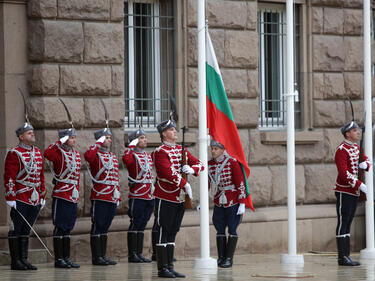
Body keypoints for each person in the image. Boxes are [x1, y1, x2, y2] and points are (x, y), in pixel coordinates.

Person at [153, 119, 204, 278]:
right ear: (164, 133)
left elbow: (201, 164)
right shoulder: (160, 151)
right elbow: (166, 173)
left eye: (175, 129)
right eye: (171, 129)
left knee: (173, 231)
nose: (175, 131)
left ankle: (170, 265)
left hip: (179, 198)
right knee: (163, 230)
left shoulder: (181, 150)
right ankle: (162, 268)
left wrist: (192, 168)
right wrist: (185, 184)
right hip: (165, 196)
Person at [4, 122, 46, 270]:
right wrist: (10, 196)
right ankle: (16, 261)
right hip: (21, 197)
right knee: (17, 228)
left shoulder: (38, 153)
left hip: (34, 198)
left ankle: (24, 259)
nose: (32, 134)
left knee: (27, 229)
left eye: (32, 132)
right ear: (21, 137)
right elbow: (10, 177)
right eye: (29, 133)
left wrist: (42, 195)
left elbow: (40, 176)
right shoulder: (14, 153)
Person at [334, 121, 371, 266]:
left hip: (354, 192)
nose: (357, 132)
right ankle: (342, 257)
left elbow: (366, 159)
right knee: (343, 222)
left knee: (348, 222)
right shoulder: (341, 150)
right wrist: (359, 184)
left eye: (357, 130)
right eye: (355, 131)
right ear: (347, 134)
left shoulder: (355, 147)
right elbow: (343, 173)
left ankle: (347, 256)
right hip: (344, 190)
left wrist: (365, 164)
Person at [44, 128, 81, 268]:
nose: (74, 140)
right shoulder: (59, 152)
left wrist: (76, 192)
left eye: (74, 137)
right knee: (60, 226)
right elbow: (47, 154)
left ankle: (66, 257)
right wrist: (60, 141)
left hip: (72, 194)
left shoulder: (76, 154)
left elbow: (76, 176)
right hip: (62, 194)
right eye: (71, 138)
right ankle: (59, 259)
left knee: (68, 228)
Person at [84, 128, 121, 266]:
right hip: (100, 195)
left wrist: (117, 196)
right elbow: (88, 156)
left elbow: (115, 177)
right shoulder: (96, 155)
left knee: (105, 226)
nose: (109, 140)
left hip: (111, 196)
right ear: (100, 140)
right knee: (98, 225)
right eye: (106, 138)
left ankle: (103, 255)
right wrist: (98, 143)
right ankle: (96, 257)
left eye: (110, 138)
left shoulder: (112, 156)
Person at [208, 139, 246, 268]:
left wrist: (242, 202)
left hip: (232, 200)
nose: (213, 151)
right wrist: (203, 201)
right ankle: (221, 257)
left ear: (223, 150)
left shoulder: (232, 162)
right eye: (212, 148)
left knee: (232, 228)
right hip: (219, 200)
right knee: (219, 228)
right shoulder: (210, 164)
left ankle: (229, 258)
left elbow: (240, 183)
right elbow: (208, 184)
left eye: (216, 149)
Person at [122, 127, 154, 263]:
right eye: (141, 138)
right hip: (138, 194)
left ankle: (139, 253)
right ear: (135, 140)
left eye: (145, 137)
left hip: (148, 194)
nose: (145, 140)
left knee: (142, 224)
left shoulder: (147, 155)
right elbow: (126, 160)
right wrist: (131, 146)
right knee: (135, 223)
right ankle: (132, 254)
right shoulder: (132, 155)